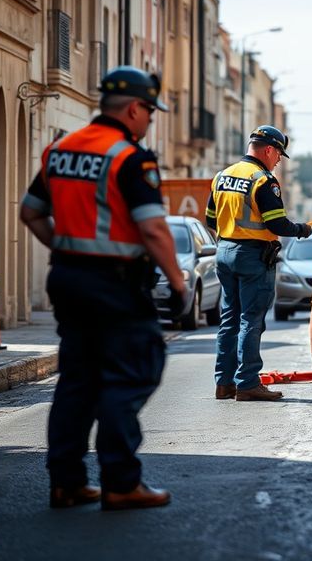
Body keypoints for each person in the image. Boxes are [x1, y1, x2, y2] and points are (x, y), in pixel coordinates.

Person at [20, 66, 189, 510]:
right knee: (132, 373)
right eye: (150, 111)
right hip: (115, 285)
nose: (150, 119)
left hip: (68, 280)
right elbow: (152, 228)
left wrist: (68, 248)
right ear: (133, 109)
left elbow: (31, 213)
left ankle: (67, 482)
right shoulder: (129, 157)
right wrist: (178, 282)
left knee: (77, 380)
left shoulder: (59, 150)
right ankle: (121, 482)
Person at [206, 125, 312, 402]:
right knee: (251, 320)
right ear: (268, 150)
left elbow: (210, 219)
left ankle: (224, 383)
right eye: (278, 154)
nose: (278, 161)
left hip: (224, 251)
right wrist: (302, 229)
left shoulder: (222, 176)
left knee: (229, 320)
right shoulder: (263, 180)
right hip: (252, 256)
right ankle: (248, 383)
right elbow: (277, 224)